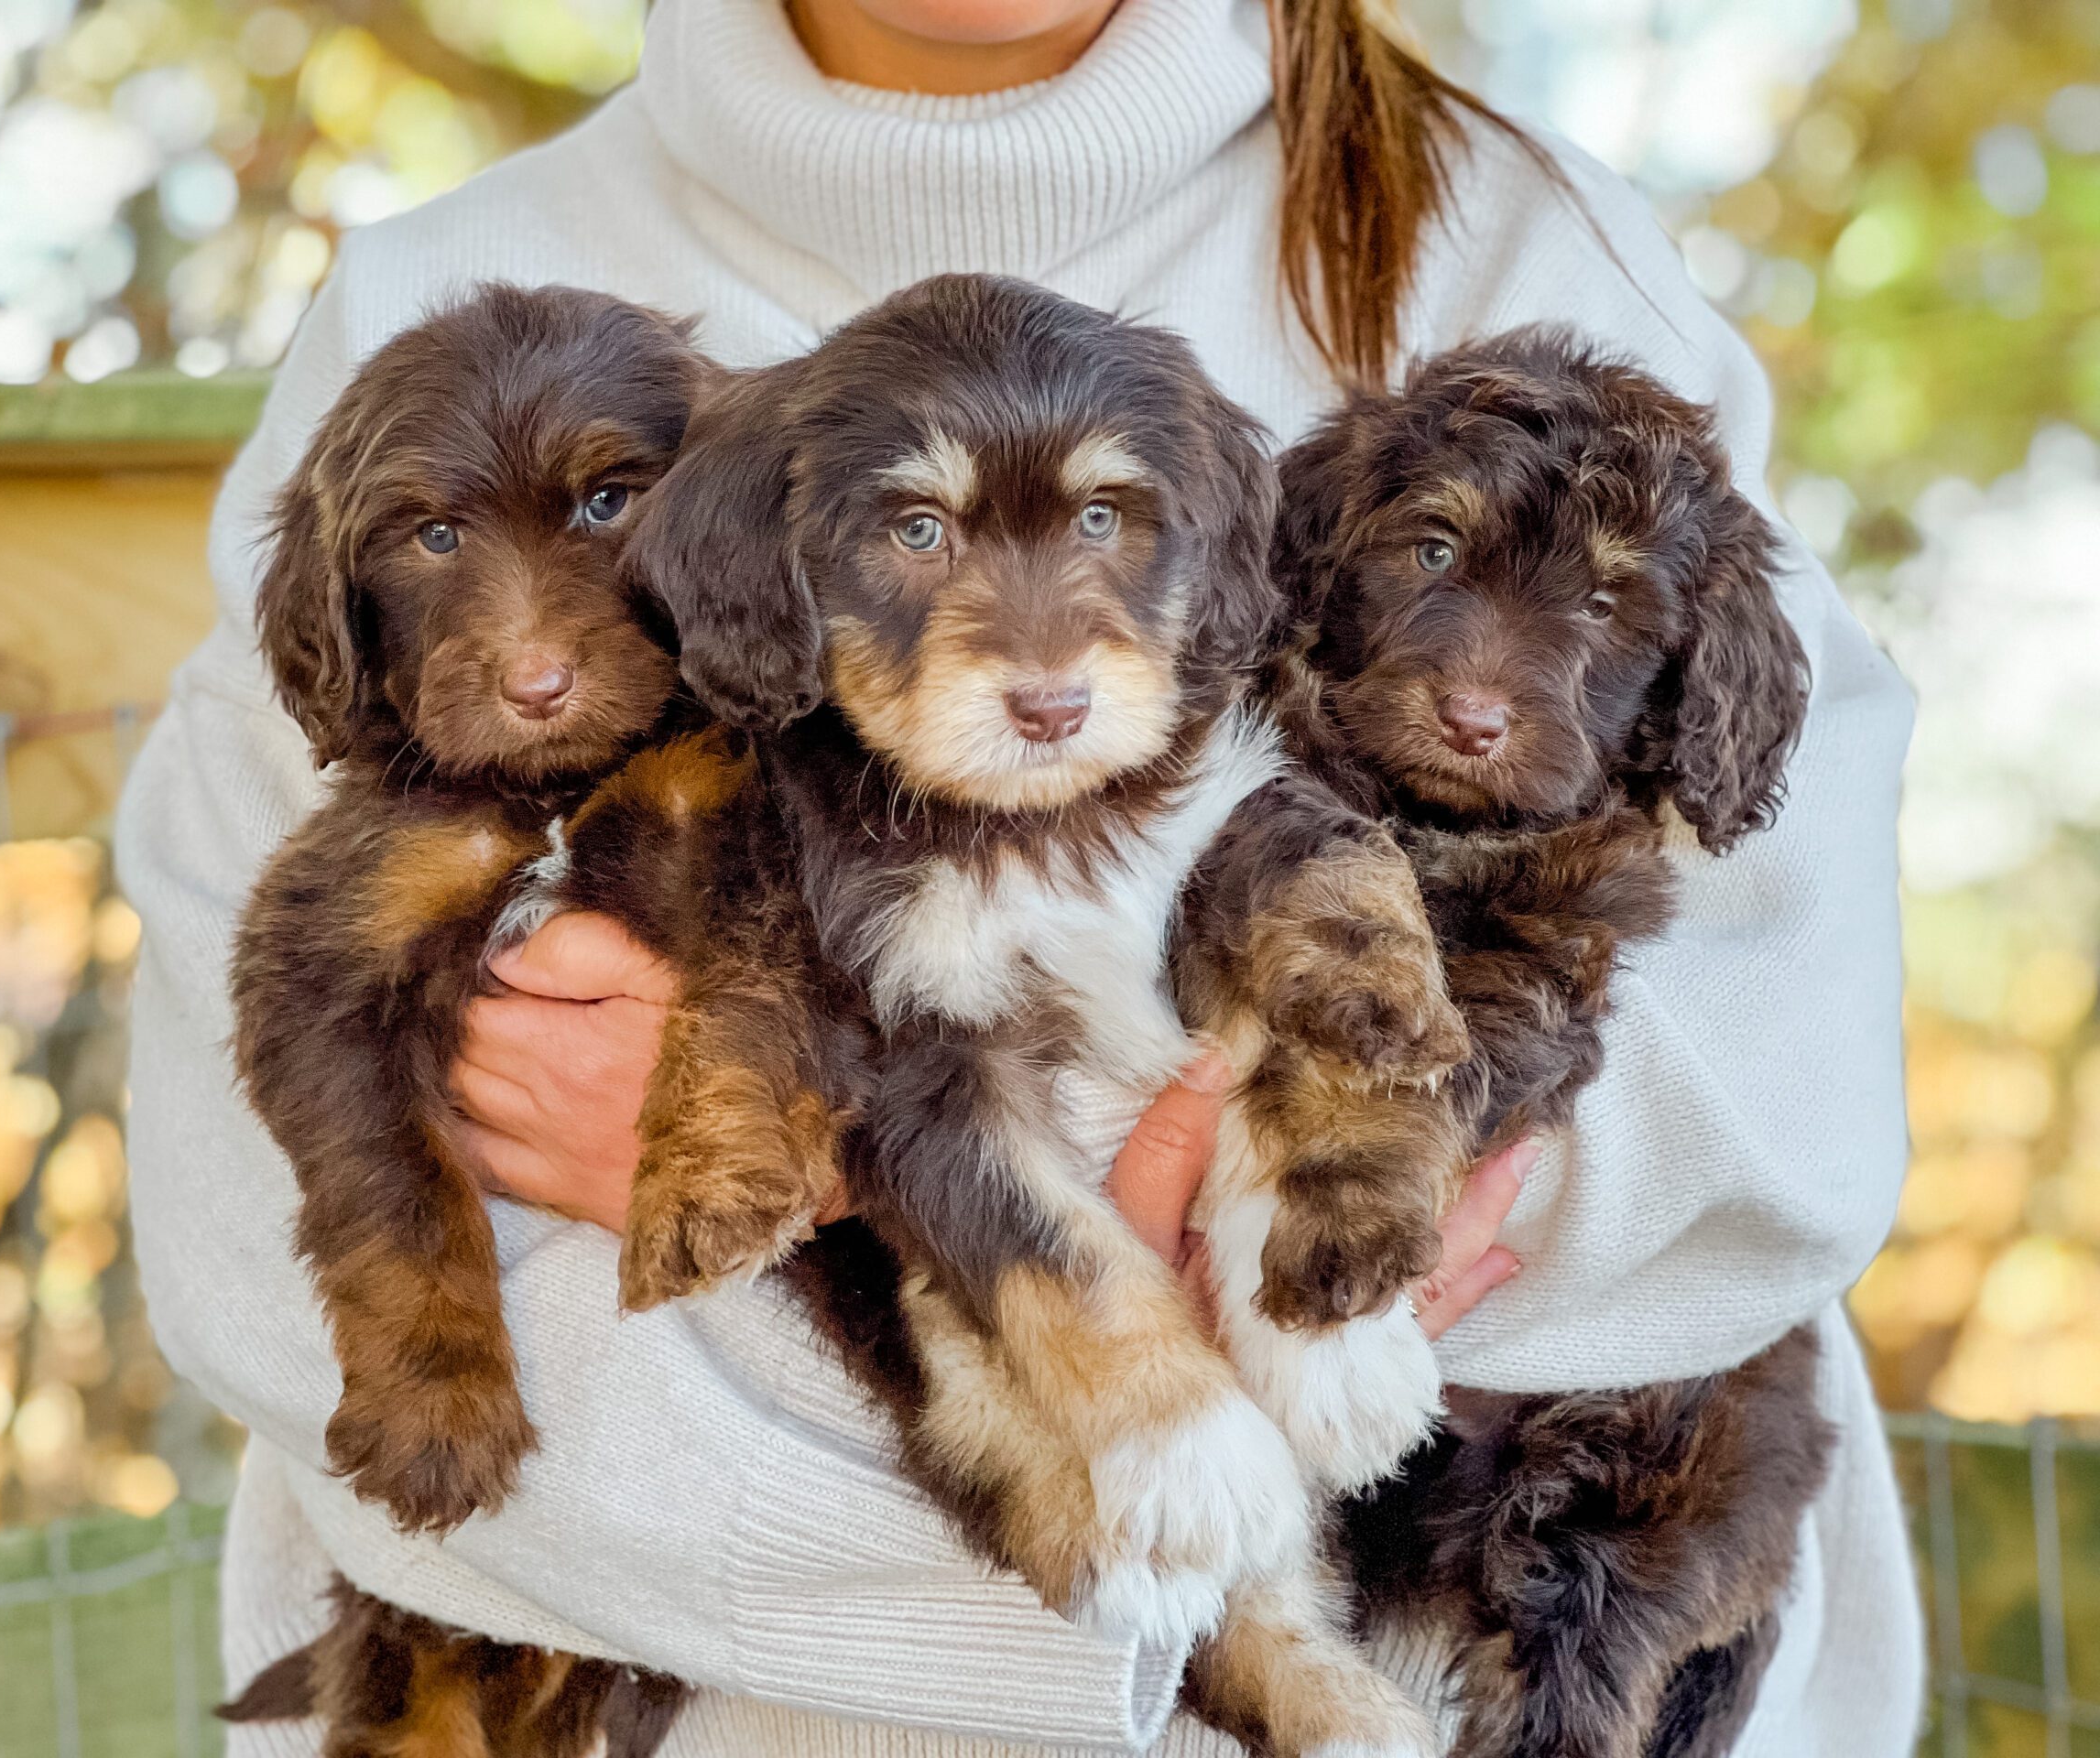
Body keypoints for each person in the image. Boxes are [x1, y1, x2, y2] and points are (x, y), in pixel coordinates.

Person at [115, 0, 1923, 1749]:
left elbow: (1782, 1058)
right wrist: (1053, 1460)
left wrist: (1317, 1206)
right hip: (715, 1693)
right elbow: (244, 1196)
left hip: (1481, 1661)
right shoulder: (436, 294)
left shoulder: (1518, 235)